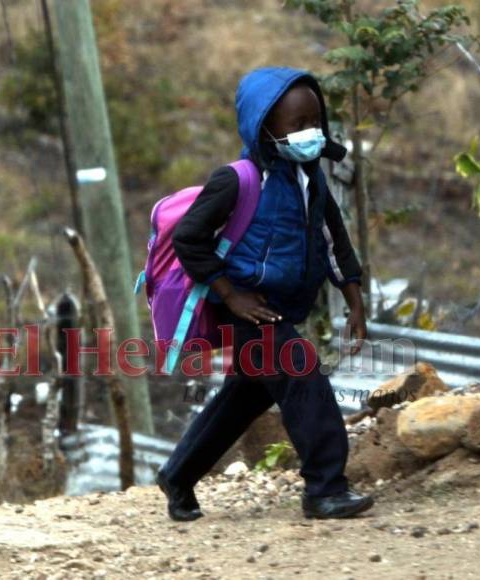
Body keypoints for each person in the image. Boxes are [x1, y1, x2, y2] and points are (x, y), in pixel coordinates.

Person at [156, 66, 373, 521]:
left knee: (246, 398)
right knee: (304, 376)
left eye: (315, 122)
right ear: (263, 126)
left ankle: (178, 476)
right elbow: (189, 238)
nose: (309, 133)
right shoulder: (237, 180)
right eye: (296, 125)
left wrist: (354, 301)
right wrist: (230, 295)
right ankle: (325, 489)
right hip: (249, 311)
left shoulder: (311, 179)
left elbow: (336, 242)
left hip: (281, 309)